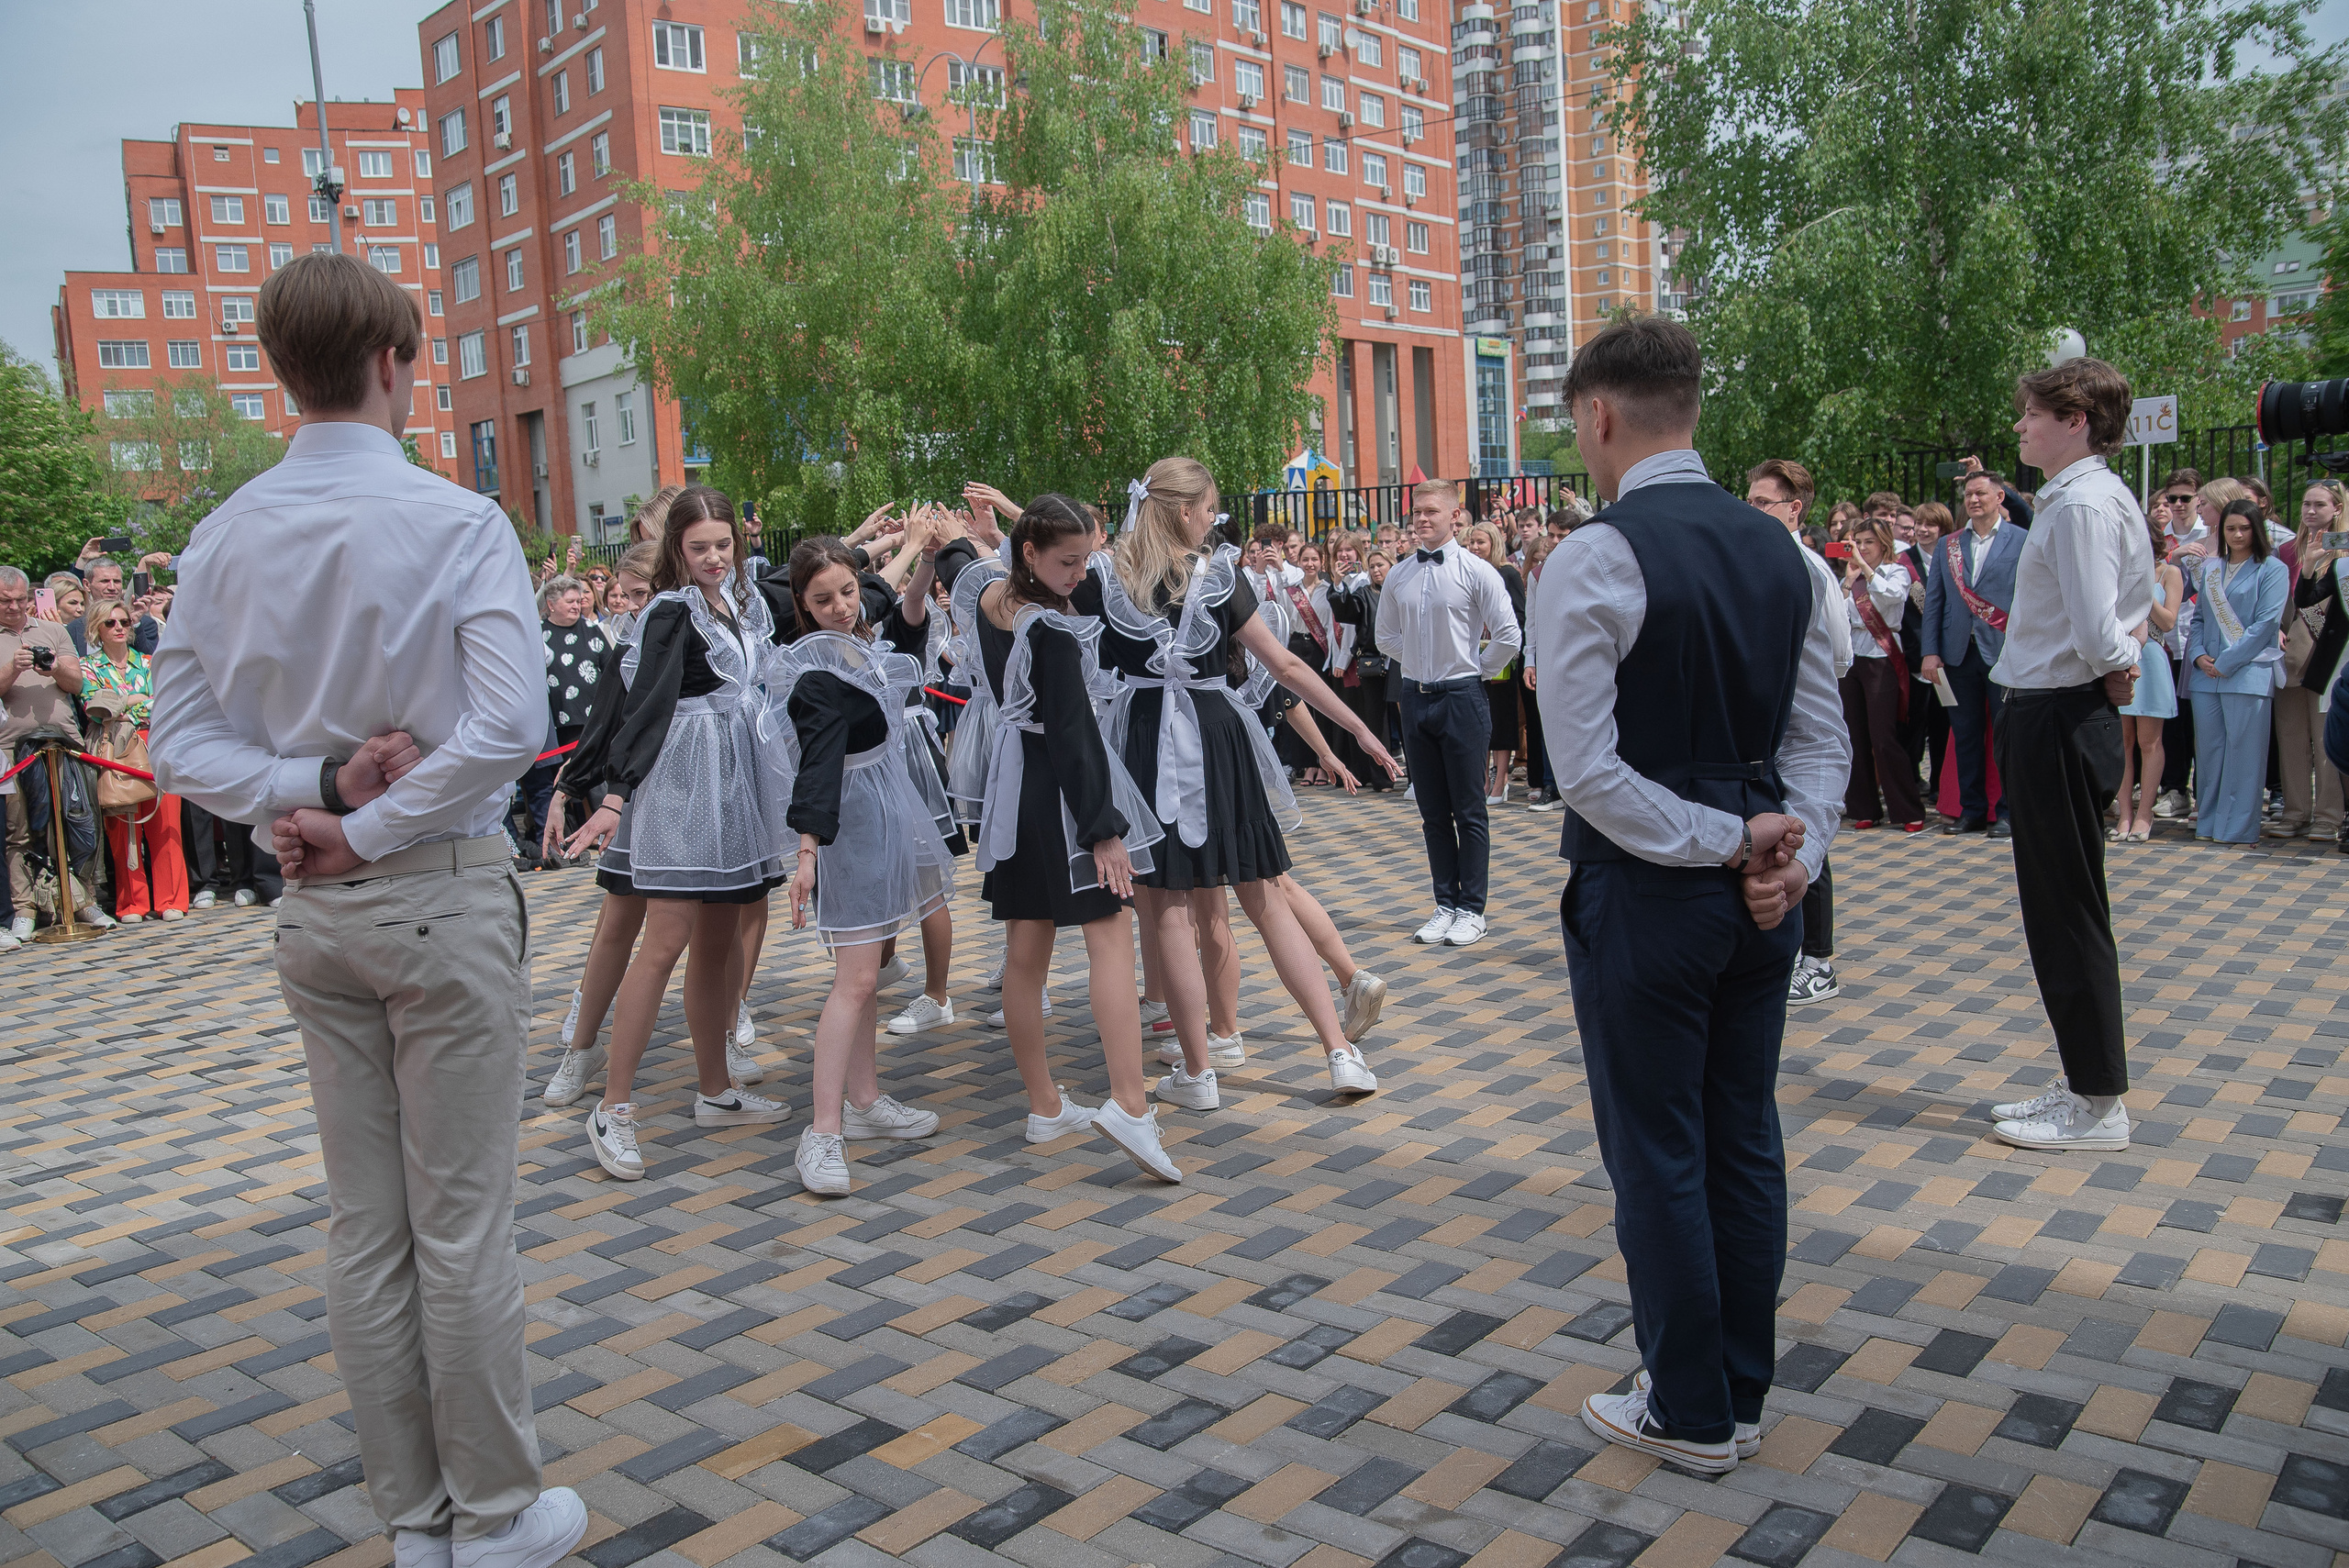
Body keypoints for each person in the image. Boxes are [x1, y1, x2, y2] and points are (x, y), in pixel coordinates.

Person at [148, 253, 587, 1568]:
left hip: (317, 911)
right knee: (460, 1225)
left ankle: (415, 1514)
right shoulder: (455, 521)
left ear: (281, 367)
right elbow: (508, 724)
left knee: (367, 1226)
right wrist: (362, 812)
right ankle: (493, 1512)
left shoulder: (222, 534)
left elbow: (180, 743)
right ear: (393, 363)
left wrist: (315, 790)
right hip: (432, 889)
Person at [1535, 317, 1845, 1474]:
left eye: (1579, 427)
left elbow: (1587, 770)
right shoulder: (1784, 554)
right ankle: (1737, 1392)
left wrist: (1734, 845)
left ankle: (1689, 1406)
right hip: (1761, 890)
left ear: (1600, 415)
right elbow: (1818, 741)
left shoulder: (1596, 553)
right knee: (1741, 1135)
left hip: (1654, 890)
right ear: (1693, 409)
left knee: (1660, 1147)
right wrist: (1790, 858)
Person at [1084, 456, 1398, 1102]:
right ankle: (1339, 1052)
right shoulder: (1218, 575)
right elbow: (1285, 665)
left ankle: (1199, 1073)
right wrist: (1361, 731)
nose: (1213, 521)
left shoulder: (1106, 575)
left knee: (1170, 911)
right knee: (1264, 897)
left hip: (1143, 738)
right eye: (1209, 510)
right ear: (1183, 512)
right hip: (1217, 734)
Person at [562, 487, 794, 1184]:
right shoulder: (670, 611)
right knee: (664, 941)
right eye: (699, 547)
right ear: (676, 549)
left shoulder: (741, 604)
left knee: (718, 942)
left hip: (734, 780)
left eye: (723, 544)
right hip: (684, 781)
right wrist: (614, 794)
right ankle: (614, 1108)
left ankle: (715, 1090)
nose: (714, 557)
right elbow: (647, 704)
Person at [970, 498, 1176, 1176]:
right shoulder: (1053, 630)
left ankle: (1045, 1105)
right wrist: (1103, 829)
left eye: (1084, 559)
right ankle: (1131, 1104)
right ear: (1028, 553)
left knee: (1025, 952)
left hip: (1017, 792)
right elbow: (1071, 731)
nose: (1079, 573)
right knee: (1110, 939)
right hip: (1060, 793)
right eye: (1067, 561)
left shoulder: (993, 600)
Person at [1983, 357, 2154, 1154]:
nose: (2020, 424)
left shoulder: (2083, 505)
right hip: (2051, 709)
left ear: (2076, 420)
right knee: (2058, 909)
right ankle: (2085, 1081)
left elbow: (2097, 627)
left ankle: (2096, 1101)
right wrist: (2119, 657)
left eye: (2033, 412)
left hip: (2057, 713)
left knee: (2067, 913)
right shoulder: (2080, 498)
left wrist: (2121, 661)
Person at [774, 538, 953, 1193]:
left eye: (847, 591)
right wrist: (807, 852)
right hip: (847, 829)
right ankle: (823, 1131)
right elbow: (817, 768)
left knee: (866, 975)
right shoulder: (815, 674)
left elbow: (898, 605)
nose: (842, 607)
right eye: (823, 599)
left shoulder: (858, 637)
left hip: (881, 815)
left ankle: (865, 1099)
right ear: (802, 604)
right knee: (853, 981)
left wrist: (926, 557)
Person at [1377, 481, 1522, 946]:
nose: (1422, 519)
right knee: (1433, 812)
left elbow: (1508, 634)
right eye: (1416, 511)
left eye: (1432, 511)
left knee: (1469, 809)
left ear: (1455, 516)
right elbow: (1385, 637)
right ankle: (1445, 903)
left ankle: (1472, 909)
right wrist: (1422, 660)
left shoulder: (1478, 571)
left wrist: (1473, 670)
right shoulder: (1400, 574)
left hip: (1462, 696)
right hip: (1415, 696)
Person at [1745, 460, 1853, 1008]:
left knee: (1809, 840)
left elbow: (1837, 653)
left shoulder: (1809, 568)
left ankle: (1818, 960)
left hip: (1801, 728)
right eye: (1749, 501)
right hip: (1761, 739)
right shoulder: (1746, 561)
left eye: (1764, 503)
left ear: (1795, 509)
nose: (1752, 511)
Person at [1921, 468, 2025, 838]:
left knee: (2006, 736)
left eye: (1980, 493)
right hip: (1957, 654)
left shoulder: (2021, 540)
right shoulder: (1949, 545)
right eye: (1968, 494)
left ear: (2000, 497)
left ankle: (2009, 812)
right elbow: (1934, 602)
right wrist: (1930, 651)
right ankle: (1972, 810)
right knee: (1965, 734)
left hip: (2004, 651)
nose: (1973, 500)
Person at [2185, 497, 2288, 846]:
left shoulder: (2272, 569)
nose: (2238, 534)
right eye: (2231, 528)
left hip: (2247, 674)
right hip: (2205, 676)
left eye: (2245, 528)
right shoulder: (2211, 569)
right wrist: (2199, 656)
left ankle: (2238, 828)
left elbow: (2266, 624)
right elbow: (2198, 619)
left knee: (2244, 756)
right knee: (2210, 754)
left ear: (2257, 529)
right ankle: (2208, 824)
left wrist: (2226, 662)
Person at [1, 565, 95, 939]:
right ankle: (24, 908)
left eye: (19, 599)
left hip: (62, 742)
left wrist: (53, 666)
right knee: (19, 831)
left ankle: (82, 901)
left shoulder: (52, 630)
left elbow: (77, 683)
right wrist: (12, 668)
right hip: (11, 749)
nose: (13, 606)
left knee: (75, 824)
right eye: (4, 601)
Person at [83, 603, 190, 923]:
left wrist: (122, 704)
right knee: (123, 826)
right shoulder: (88, 666)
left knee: (166, 823)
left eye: (124, 621)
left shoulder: (148, 662)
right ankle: (132, 903)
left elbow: (166, 703)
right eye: (110, 622)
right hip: (114, 748)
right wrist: (138, 700)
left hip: (155, 744)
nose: (119, 627)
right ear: (96, 628)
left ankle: (171, 899)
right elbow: (95, 707)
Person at [1838, 517, 1924, 831]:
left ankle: (1907, 809)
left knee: (1883, 735)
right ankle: (1864, 806)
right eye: (1857, 542)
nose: (1861, 548)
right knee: (1855, 734)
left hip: (1881, 655)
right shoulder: (1851, 576)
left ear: (1883, 543)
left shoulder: (1896, 571)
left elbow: (1892, 597)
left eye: (1868, 542)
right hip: (1852, 657)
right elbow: (1837, 613)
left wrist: (1865, 569)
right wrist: (1848, 582)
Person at [2278, 480, 2349, 841]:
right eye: (2306, 504)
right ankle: (2295, 811)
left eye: (2319, 505)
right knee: (2291, 736)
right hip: (2291, 651)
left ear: (2337, 508)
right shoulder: (2288, 549)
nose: (2309, 511)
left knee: (2326, 740)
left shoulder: (2346, 550)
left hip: (2330, 656)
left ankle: (2328, 816)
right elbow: (2294, 599)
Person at [2113, 504, 2183, 842]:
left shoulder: (2168, 573)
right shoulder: (2113, 570)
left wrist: (2143, 585)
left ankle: (2145, 813)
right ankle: (2124, 813)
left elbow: (2168, 621)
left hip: (2152, 658)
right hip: (2120, 658)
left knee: (2148, 741)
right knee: (2122, 741)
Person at [1462, 524, 1527, 806]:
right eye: (1471, 542)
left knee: (1500, 720)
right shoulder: (1467, 572)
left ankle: (1501, 780)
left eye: (1480, 542)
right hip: (1471, 657)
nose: (1474, 547)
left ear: (1494, 543)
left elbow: (1519, 617)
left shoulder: (1507, 573)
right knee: (1479, 720)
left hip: (1500, 659)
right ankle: (1483, 779)